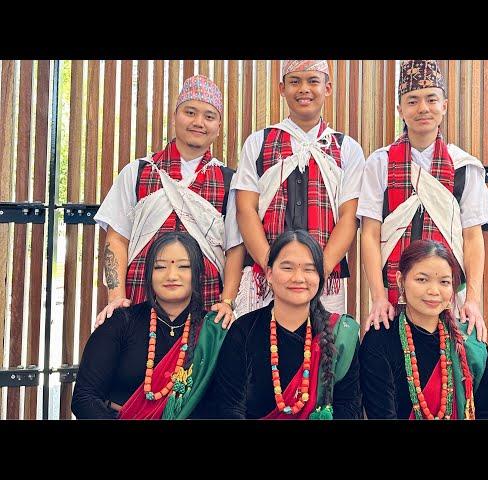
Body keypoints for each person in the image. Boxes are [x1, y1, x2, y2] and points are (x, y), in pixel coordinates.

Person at [358, 60, 488, 341]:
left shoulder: (463, 166)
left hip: (447, 298)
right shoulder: (380, 163)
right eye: (412, 101)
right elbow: (370, 234)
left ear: (444, 105)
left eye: (431, 99)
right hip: (394, 296)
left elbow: (472, 237)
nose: (423, 108)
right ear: (400, 109)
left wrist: (472, 300)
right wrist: (378, 297)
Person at [94, 74, 244, 328]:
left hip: (206, 307)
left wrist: (227, 301)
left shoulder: (229, 181)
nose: (199, 122)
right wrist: (116, 297)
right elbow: (117, 238)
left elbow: (234, 249)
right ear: (175, 117)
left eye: (209, 116)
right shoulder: (138, 172)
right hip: (140, 302)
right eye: (190, 112)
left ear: (218, 127)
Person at [231, 60, 365, 317]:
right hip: (264, 278)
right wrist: (273, 267)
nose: (304, 89)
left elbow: (349, 216)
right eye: (295, 82)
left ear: (327, 88)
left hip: (326, 278)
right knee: (261, 349)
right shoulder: (259, 142)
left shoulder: (346, 148)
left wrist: (319, 270)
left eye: (313, 81)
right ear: (282, 88)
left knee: (323, 351)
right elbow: (245, 209)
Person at [193, 230, 362, 419]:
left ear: (320, 276)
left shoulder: (340, 335)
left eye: (309, 269)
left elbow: (349, 407)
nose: (298, 278)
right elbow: (230, 407)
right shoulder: (243, 331)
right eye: (287, 268)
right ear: (270, 274)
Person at [72, 232, 228, 419]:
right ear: (148, 274)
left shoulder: (213, 331)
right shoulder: (121, 322)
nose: (171, 275)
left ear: (198, 273)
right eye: (160, 267)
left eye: (184, 266)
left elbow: (230, 402)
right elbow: (83, 397)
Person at [359, 239, 488, 419]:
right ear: (401, 280)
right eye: (422, 279)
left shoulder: (470, 342)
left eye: (444, 282)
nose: (434, 290)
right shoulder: (380, 340)